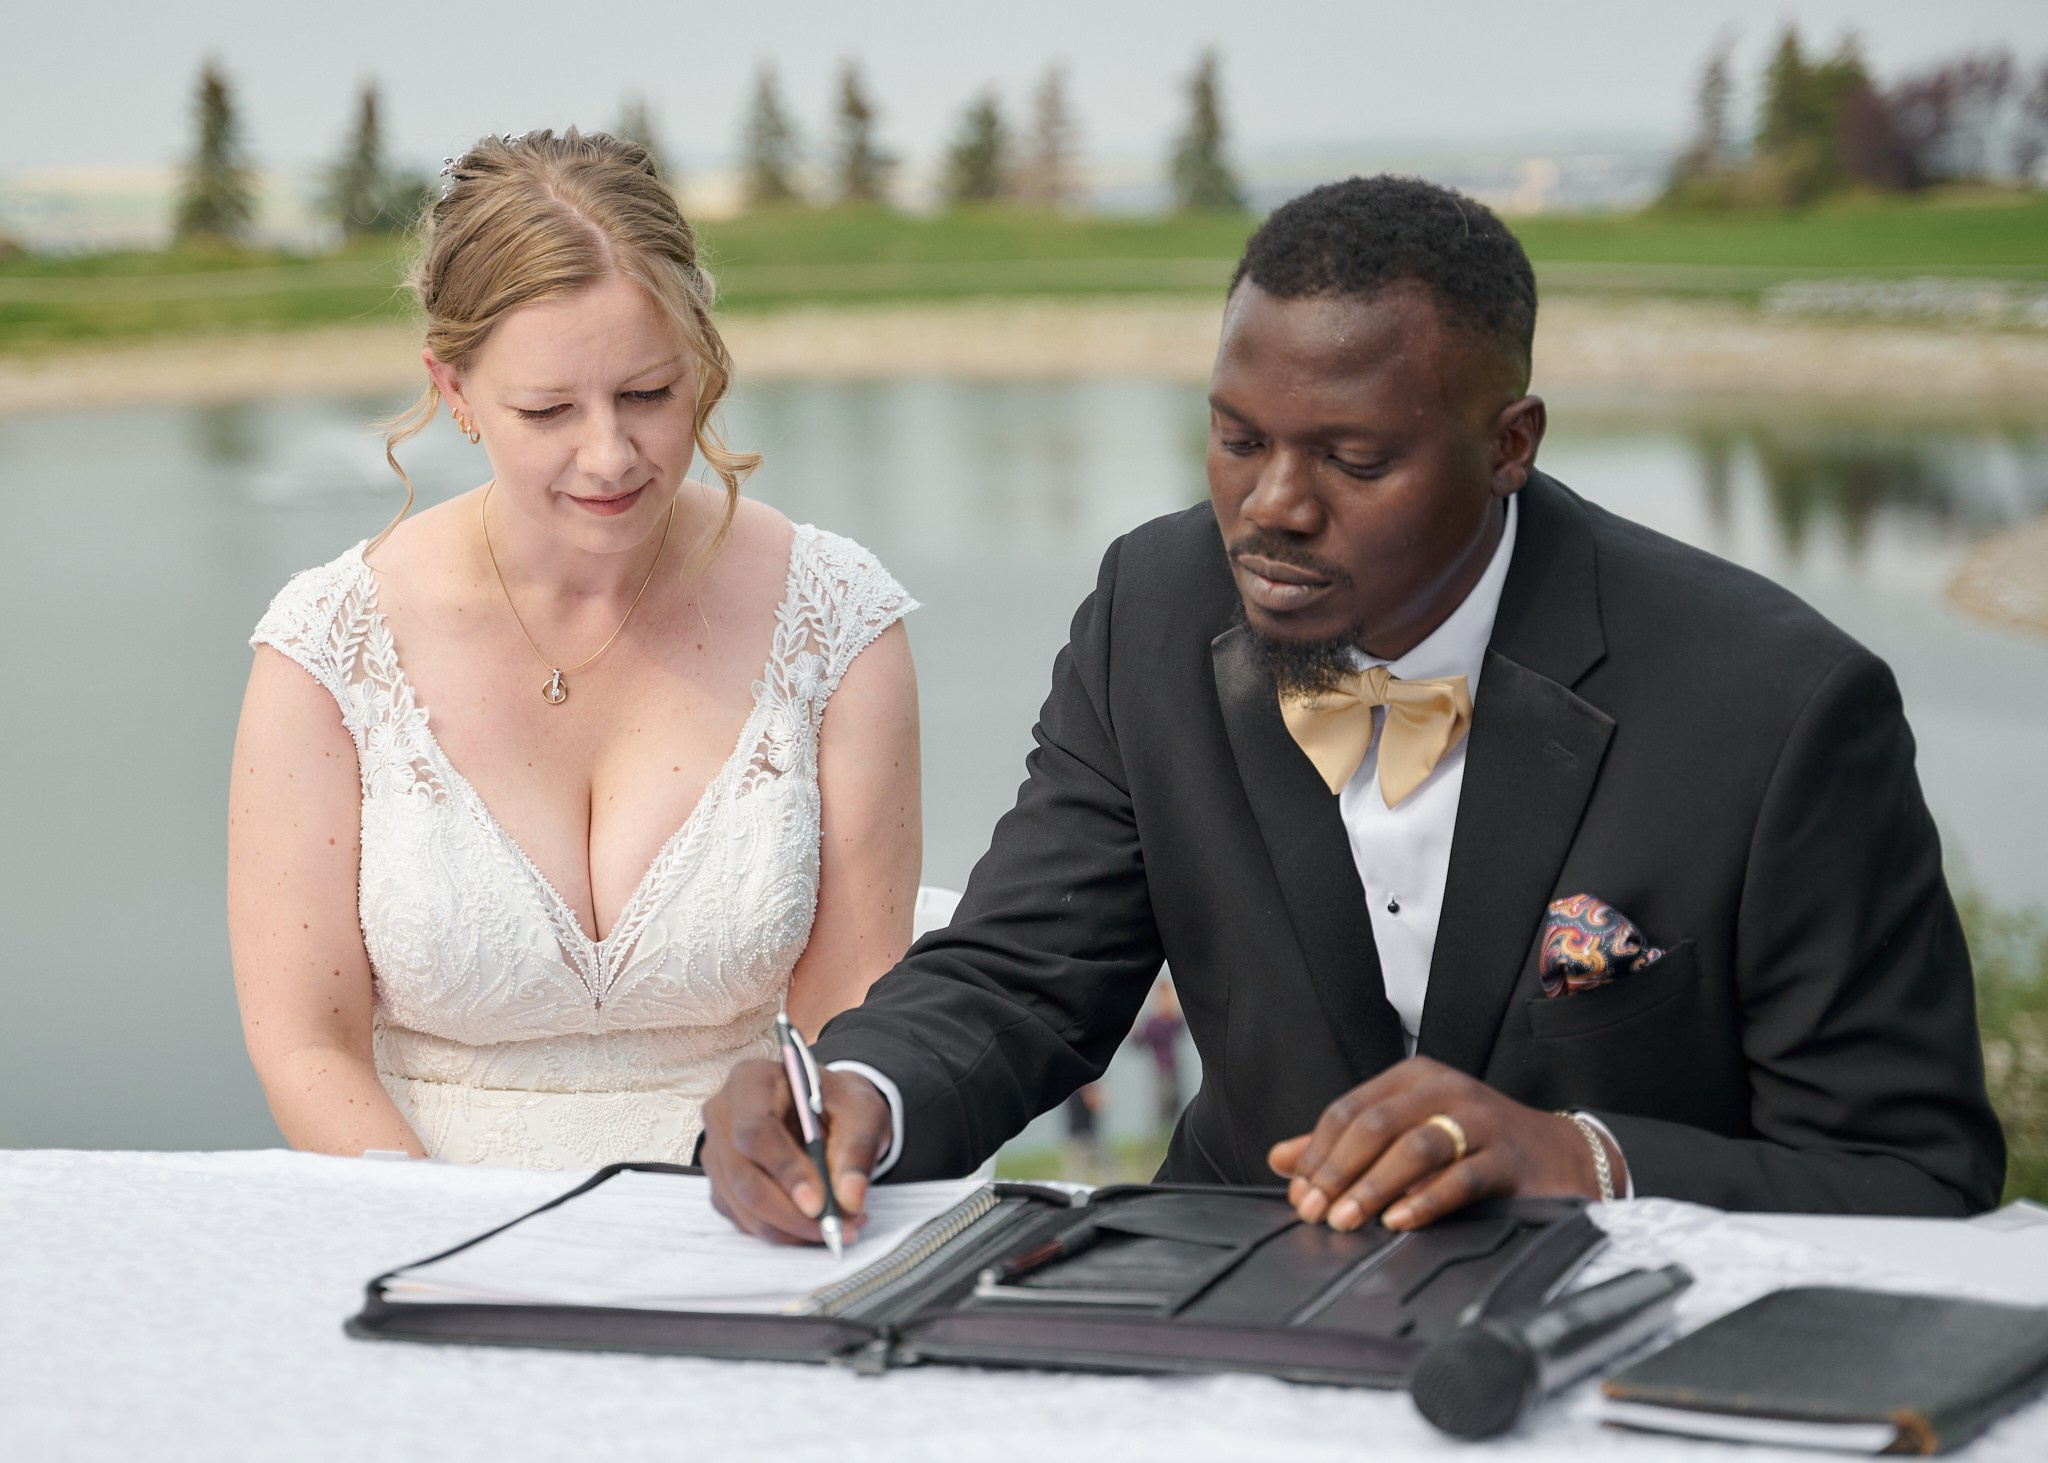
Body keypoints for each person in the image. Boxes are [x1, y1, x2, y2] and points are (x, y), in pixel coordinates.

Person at [701, 175, 2004, 1243]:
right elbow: (1022, 973)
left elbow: (1911, 1176)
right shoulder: (1153, 607)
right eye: (1237, 437)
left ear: (1510, 443)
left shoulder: (1777, 708)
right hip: (1235, 1284)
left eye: (1353, 457)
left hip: (1612, 1332)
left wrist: (1580, 1158)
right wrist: (857, 1090)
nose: (1272, 505)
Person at [228, 130, 921, 1168]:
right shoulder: (326, 647)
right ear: (454, 391)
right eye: (548, 409)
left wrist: (769, 1195)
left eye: (648, 394)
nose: (609, 456)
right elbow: (304, 1045)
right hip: (412, 1216)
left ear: (702, 361)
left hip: (747, 1207)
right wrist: (453, 1237)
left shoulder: (838, 617)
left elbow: (849, 1017)